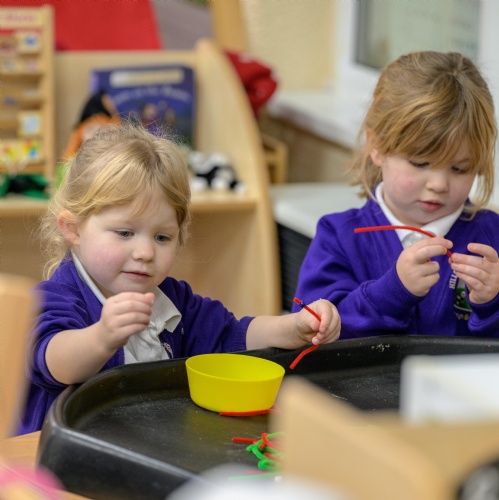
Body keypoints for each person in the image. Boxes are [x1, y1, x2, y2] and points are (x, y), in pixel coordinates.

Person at [19, 122, 341, 435]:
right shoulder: (53, 298)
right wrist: (101, 337)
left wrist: (294, 327)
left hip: (145, 444)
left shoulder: (172, 300)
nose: (145, 252)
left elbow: (234, 335)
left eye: (162, 237)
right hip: (59, 460)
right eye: (125, 233)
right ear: (73, 228)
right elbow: (54, 360)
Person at [293, 51, 499, 339]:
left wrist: (492, 304)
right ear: (376, 147)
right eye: (420, 163)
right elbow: (310, 333)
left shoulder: (491, 236)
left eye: (459, 168)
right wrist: (392, 291)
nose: (439, 184)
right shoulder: (339, 237)